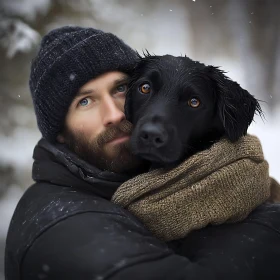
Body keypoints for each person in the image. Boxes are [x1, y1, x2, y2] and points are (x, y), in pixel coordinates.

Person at [5, 26, 280, 280]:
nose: (114, 114)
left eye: (121, 89)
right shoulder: (61, 222)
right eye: (85, 101)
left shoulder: (142, 185)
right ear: (60, 132)